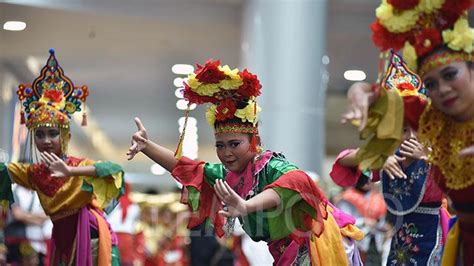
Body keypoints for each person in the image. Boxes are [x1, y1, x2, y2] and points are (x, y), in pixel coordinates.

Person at [127, 59, 364, 265]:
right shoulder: (228, 177)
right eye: (220, 145)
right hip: (287, 250)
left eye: (234, 144)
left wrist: (246, 206)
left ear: (254, 140)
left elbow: (296, 182)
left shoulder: (270, 166)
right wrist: (147, 147)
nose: (227, 153)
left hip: (319, 244)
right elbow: (188, 168)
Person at [341, 1, 474, 264]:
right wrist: (358, 93)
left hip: (436, 235)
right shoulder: (431, 123)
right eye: (432, 83)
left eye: (450, 75)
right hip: (449, 243)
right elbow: (374, 98)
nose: (443, 89)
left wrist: (433, 157)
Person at [0, 49, 125, 265]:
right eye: (39, 134)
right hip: (62, 242)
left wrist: (70, 171)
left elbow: (115, 170)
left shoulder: (79, 165)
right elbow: (4, 170)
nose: (46, 140)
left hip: (92, 239)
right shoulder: (33, 173)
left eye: (53, 133)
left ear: (65, 135)